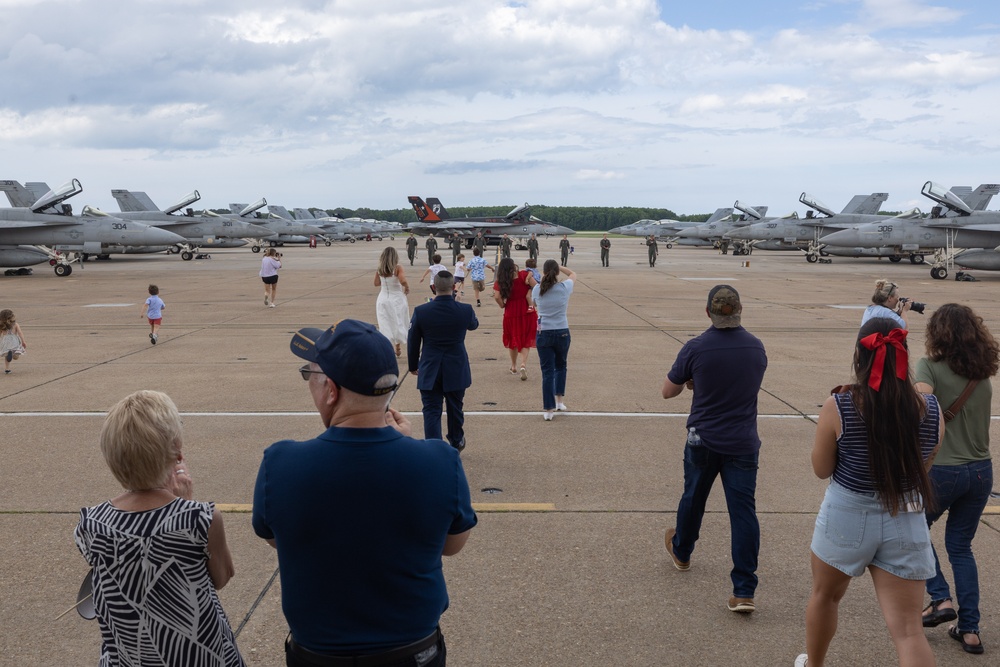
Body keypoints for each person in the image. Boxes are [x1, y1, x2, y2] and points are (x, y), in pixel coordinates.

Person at [252, 320, 476, 666]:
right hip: (412, 654)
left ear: (331, 390)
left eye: (309, 375)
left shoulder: (281, 463)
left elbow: (281, 539)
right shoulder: (439, 462)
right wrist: (406, 446)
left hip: (317, 656)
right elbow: (452, 545)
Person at [796, 318, 942, 667]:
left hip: (848, 514)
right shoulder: (931, 409)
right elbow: (924, 465)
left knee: (825, 596)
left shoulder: (840, 405)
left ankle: (814, 664)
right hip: (905, 516)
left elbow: (821, 470)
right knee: (908, 630)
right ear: (903, 358)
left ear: (860, 359)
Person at [75, 390, 245, 667]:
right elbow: (221, 577)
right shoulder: (202, 517)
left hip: (130, 657)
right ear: (178, 451)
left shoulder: (90, 524)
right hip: (199, 656)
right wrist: (183, 504)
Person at [662, 285, 767, 613]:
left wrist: (694, 380)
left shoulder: (697, 348)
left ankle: (682, 551)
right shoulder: (756, 348)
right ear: (740, 311)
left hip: (704, 439)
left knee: (693, 498)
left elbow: (668, 391)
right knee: (743, 513)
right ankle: (744, 589)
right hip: (743, 443)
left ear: (708, 312)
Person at [915, 304, 997, 655]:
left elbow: (920, 402)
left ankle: (940, 597)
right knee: (961, 546)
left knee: (915, 530)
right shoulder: (983, 373)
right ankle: (970, 629)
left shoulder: (929, 366)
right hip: (981, 471)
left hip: (943, 470)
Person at [408, 271, 479, 451]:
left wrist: (413, 365)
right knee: (455, 407)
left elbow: (413, 340)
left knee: (431, 410)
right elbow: (473, 325)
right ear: (454, 288)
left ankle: (434, 447)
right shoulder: (464, 310)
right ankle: (456, 440)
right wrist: (459, 304)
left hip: (430, 366)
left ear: (433, 288)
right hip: (455, 365)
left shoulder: (421, 311)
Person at [531, 261, 575, 421]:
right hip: (562, 330)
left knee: (547, 372)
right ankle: (559, 401)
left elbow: (534, 304)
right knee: (561, 366)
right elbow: (572, 274)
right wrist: (559, 266)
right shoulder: (564, 288)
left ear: (543, 272)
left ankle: (548, 409)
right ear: (556, 273)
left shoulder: (538, 289)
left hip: (544, 333)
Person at [493, 257, 537, 380]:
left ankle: (513, 366)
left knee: (513, 339)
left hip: (511, 311)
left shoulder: (501, 281)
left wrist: (503, 304)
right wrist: (529, 294)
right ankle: (523, 363)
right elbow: (537, 287)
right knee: (526, 337)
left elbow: (497, 297)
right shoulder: (523, 275)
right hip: (526, 309)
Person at [374, 246, 411, 357]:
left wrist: (385, 281)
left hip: (383, 298)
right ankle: (398, 345)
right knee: (398, 321)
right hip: (396, 299)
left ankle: (388, 347)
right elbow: (403, 280)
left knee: (385, 323)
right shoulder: (397, 268)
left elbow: (376, 283)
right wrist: (407, 287)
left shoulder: (380, 269)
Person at [0, 309, 27, 374]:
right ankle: (13, 355)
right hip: (14, 341)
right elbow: (20, 333)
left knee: (7, 355)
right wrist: (23, 341)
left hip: (5, 341)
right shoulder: (15, 324)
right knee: (16, 355)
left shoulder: (1, 325)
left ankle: (7, 369)